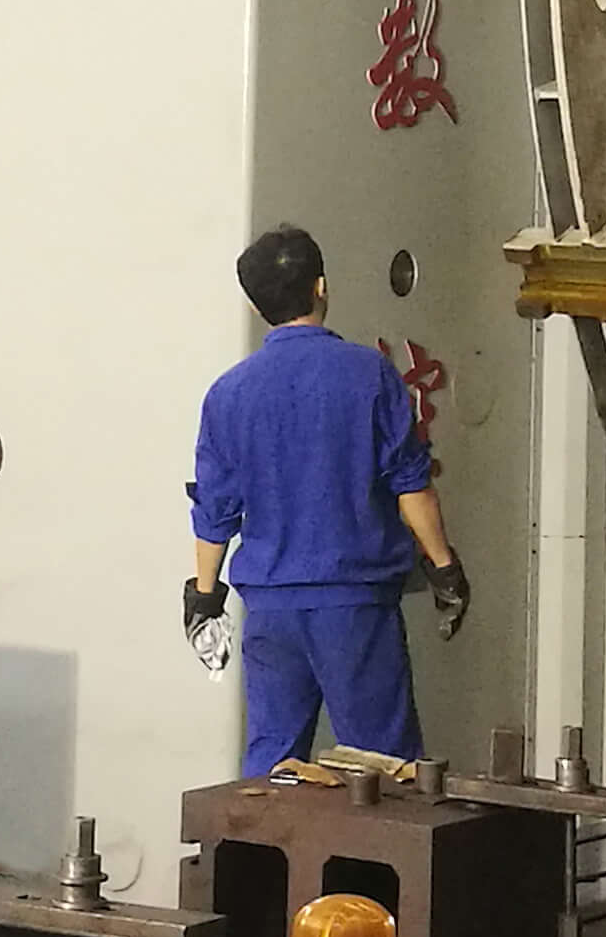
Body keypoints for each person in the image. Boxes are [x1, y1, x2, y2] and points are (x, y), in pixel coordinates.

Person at [184, 222, 470, 775]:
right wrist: (444, 569)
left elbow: (214, 511)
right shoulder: (370, 375)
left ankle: (262, 833)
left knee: (273, 770)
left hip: (270, 609)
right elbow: (411, 486)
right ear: (321, 288)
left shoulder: (228, 394)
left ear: (255, 306)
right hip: (354, 607)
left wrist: (204, 595)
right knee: (381, 770)